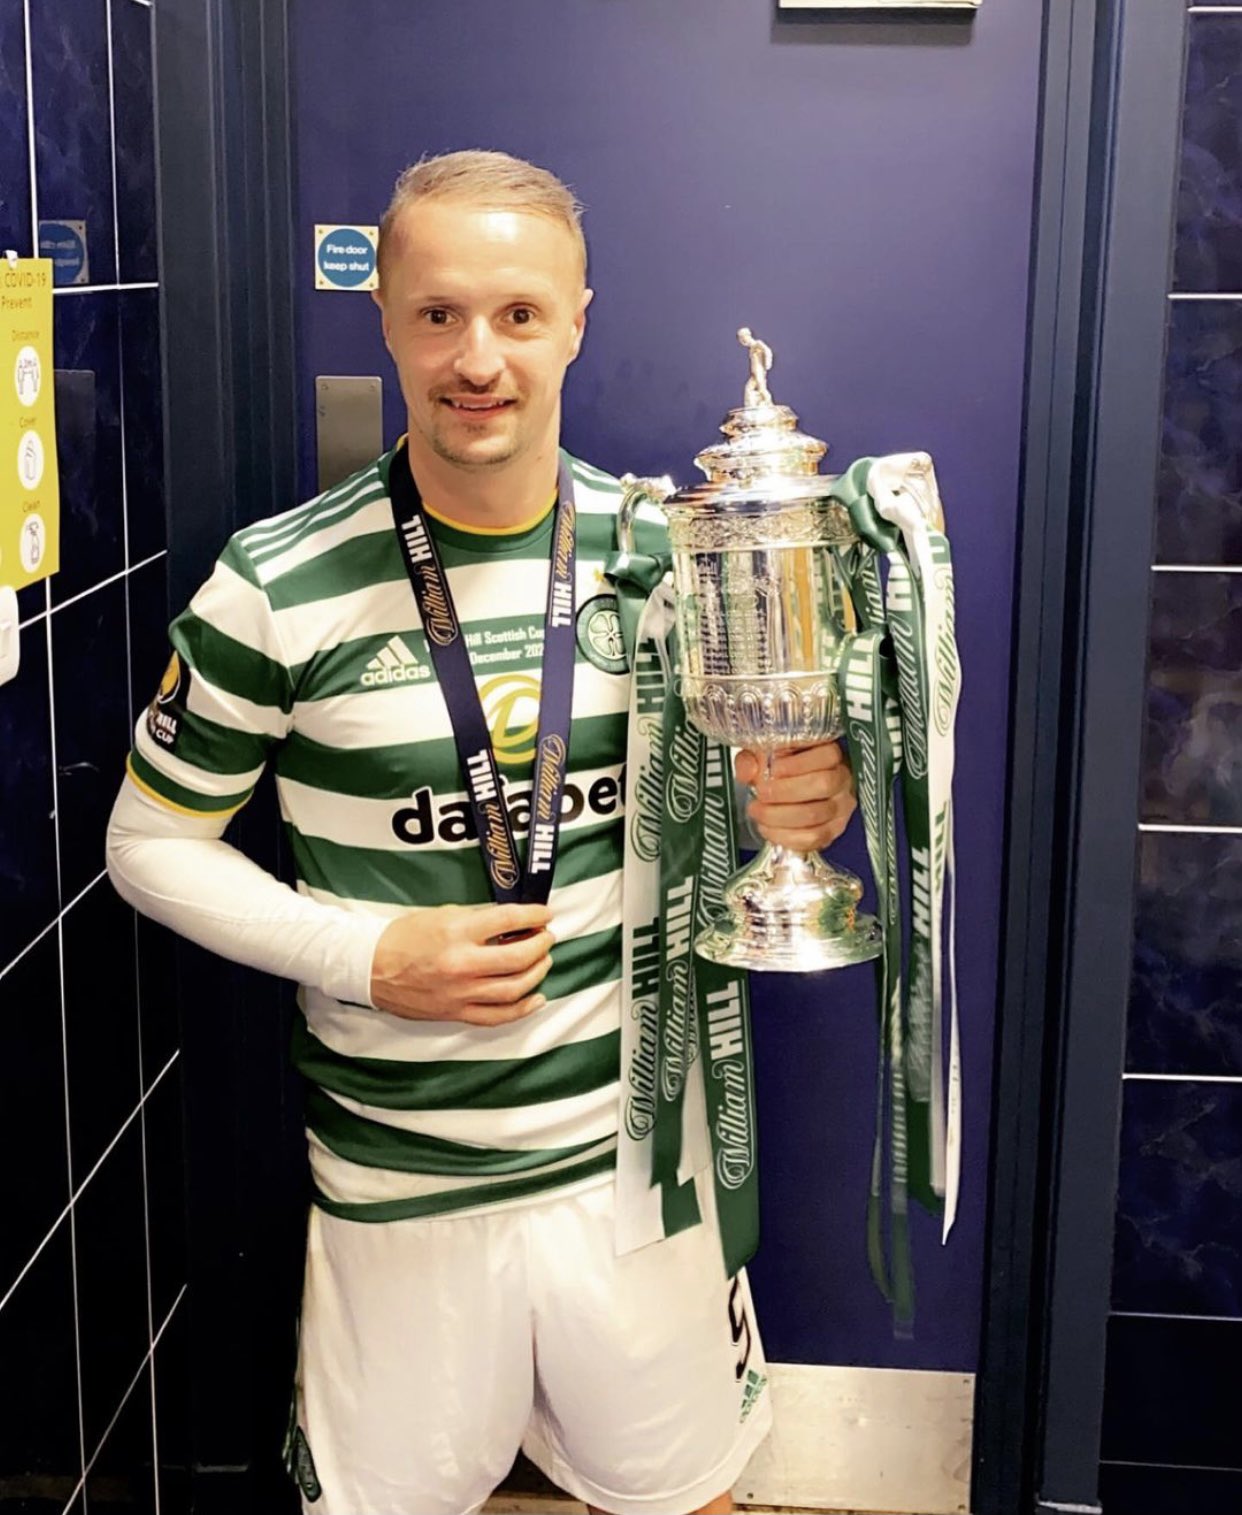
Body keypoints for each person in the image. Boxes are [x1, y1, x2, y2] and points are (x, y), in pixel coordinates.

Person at [106, 150, 857, 1515]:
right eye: (438, 313)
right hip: (402, 1183)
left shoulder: (673, 551)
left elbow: (769, 779)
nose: (477, 358)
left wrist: (813, 803)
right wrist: (366, 952)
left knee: (690, 1497)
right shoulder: (275, 582)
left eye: (517, 314)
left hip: (639, 1167)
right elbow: (148, 849)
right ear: (386, 316)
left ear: (577, 320)